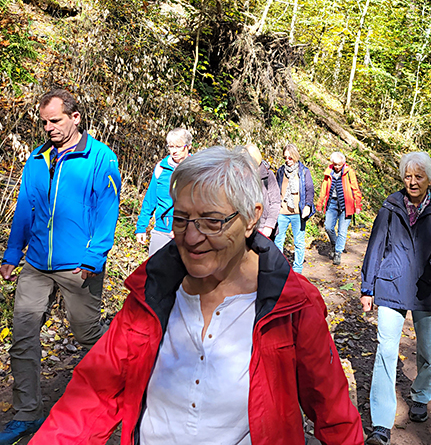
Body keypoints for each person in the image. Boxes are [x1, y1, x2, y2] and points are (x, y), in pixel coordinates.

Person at [29, 146, 364, 445]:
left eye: (212, 222)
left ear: (251, 219)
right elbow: (94, 395)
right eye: (181, 219)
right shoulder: (152, 292)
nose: (191, 237)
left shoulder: (291, 305)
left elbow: (332, 411)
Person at [0, 88, 121, 445]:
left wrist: (93, 258)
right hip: (35, 264)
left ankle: (120, 388)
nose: (48, 127)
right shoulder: (36, 159)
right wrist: (11, 254)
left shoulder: (100, 158)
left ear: (75, 117)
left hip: (78, 264)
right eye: (44, 121)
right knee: (23, 335)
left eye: (55, 120)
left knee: (86, 334)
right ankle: (26, 414)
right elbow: (24, 209)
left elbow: (107, 212)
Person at [360, 152, 431, 445]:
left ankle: (420, 396)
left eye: (418, 177)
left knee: (427, 349)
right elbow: (375, 245)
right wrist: (368, 288)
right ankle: (381, 423)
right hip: (391, 285)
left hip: (428, 285)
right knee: (386, 350)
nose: (412, 182)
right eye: (407, 176)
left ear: (429, 178)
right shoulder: (390, 207)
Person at [136, 127, 193, 256]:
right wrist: (141, 226)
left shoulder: (198, 170)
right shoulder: (161, 168)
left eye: (178, 147)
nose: (174, 151)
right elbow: (150, 199)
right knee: (153, 273)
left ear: (188, 146)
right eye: (171, 147)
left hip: (187, 235)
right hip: (161, 231)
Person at [274, 144, 315, 274]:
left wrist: (308, 205)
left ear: (295, 156)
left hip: (298, 212)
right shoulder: (280, 171)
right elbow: (275, 189)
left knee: (299, 241)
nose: (287, 160)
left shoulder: (303, 171)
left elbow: (309, 190)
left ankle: (297, 269)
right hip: (282, 212)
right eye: (285, 157)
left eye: (290, 157)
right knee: (278, 240)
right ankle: (278, 267)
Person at [317, 152, 363, 266]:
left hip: (346, 204)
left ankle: (337, 252)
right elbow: (324, 189)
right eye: (335, 164)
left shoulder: (349, 172)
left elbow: (355, 189)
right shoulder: (329, 172)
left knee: (342, 231)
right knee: (328, 227)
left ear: (343, 163)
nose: (337, 167)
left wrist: (358, 205)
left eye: (339, 165)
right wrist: (319, 204)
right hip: (332, 203)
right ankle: (335, 244)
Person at [244, 143, 280, 239]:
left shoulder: (268, 175)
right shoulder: (241, 175)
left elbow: (275, 202)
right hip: (246, 228)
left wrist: (269, 226)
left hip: (264, 229)